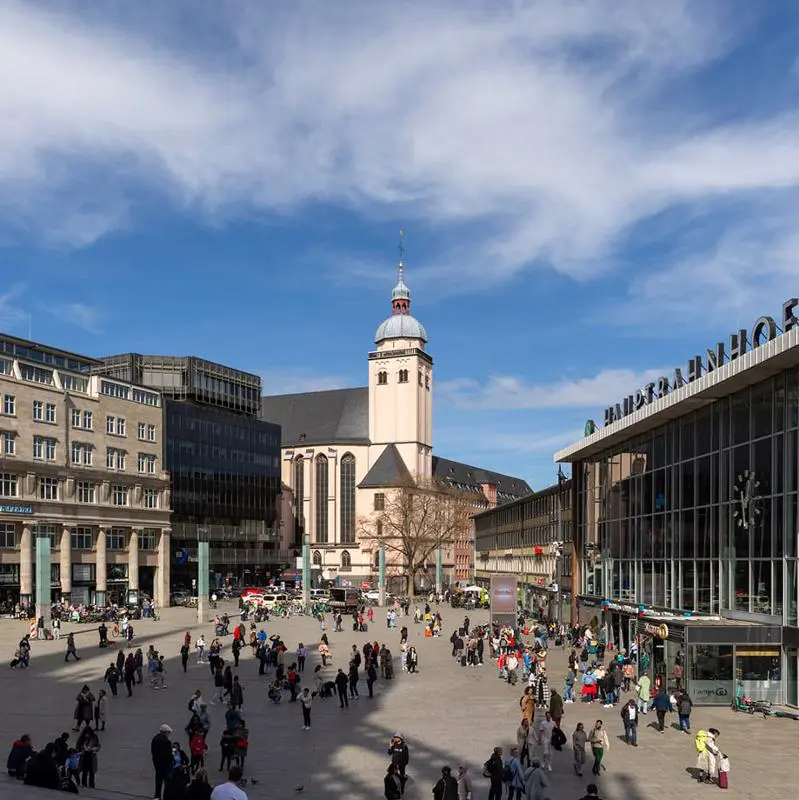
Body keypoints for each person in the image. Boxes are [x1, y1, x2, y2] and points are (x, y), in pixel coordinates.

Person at [151, 724, 174, 800]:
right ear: (166, 732)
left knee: (158, 780)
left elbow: (152, 751)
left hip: (157, 764)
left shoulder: (155, 738)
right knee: (167, 782)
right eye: (169, 733)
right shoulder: (167, 742)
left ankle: (157, 796)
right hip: (166, 766)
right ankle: (166, 796)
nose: (169, 734)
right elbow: (169, 755)